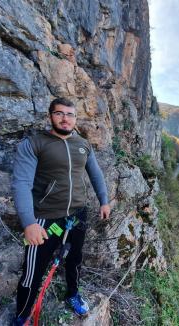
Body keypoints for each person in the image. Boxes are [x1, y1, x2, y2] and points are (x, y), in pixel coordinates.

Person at [11, 97, 110, 325]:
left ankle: (73, 294)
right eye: (60, 113)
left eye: (70, 114)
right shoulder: (35, 144)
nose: (65, 118)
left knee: (74, 259)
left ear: (75, 119)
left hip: (77, 216)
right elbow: (21, 183)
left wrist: (103, 200)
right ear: (51, 116)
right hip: (45, 219)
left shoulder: (83, 145)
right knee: (32, 270)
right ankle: (23, 316)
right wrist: (29, 222)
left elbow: (95, 174)